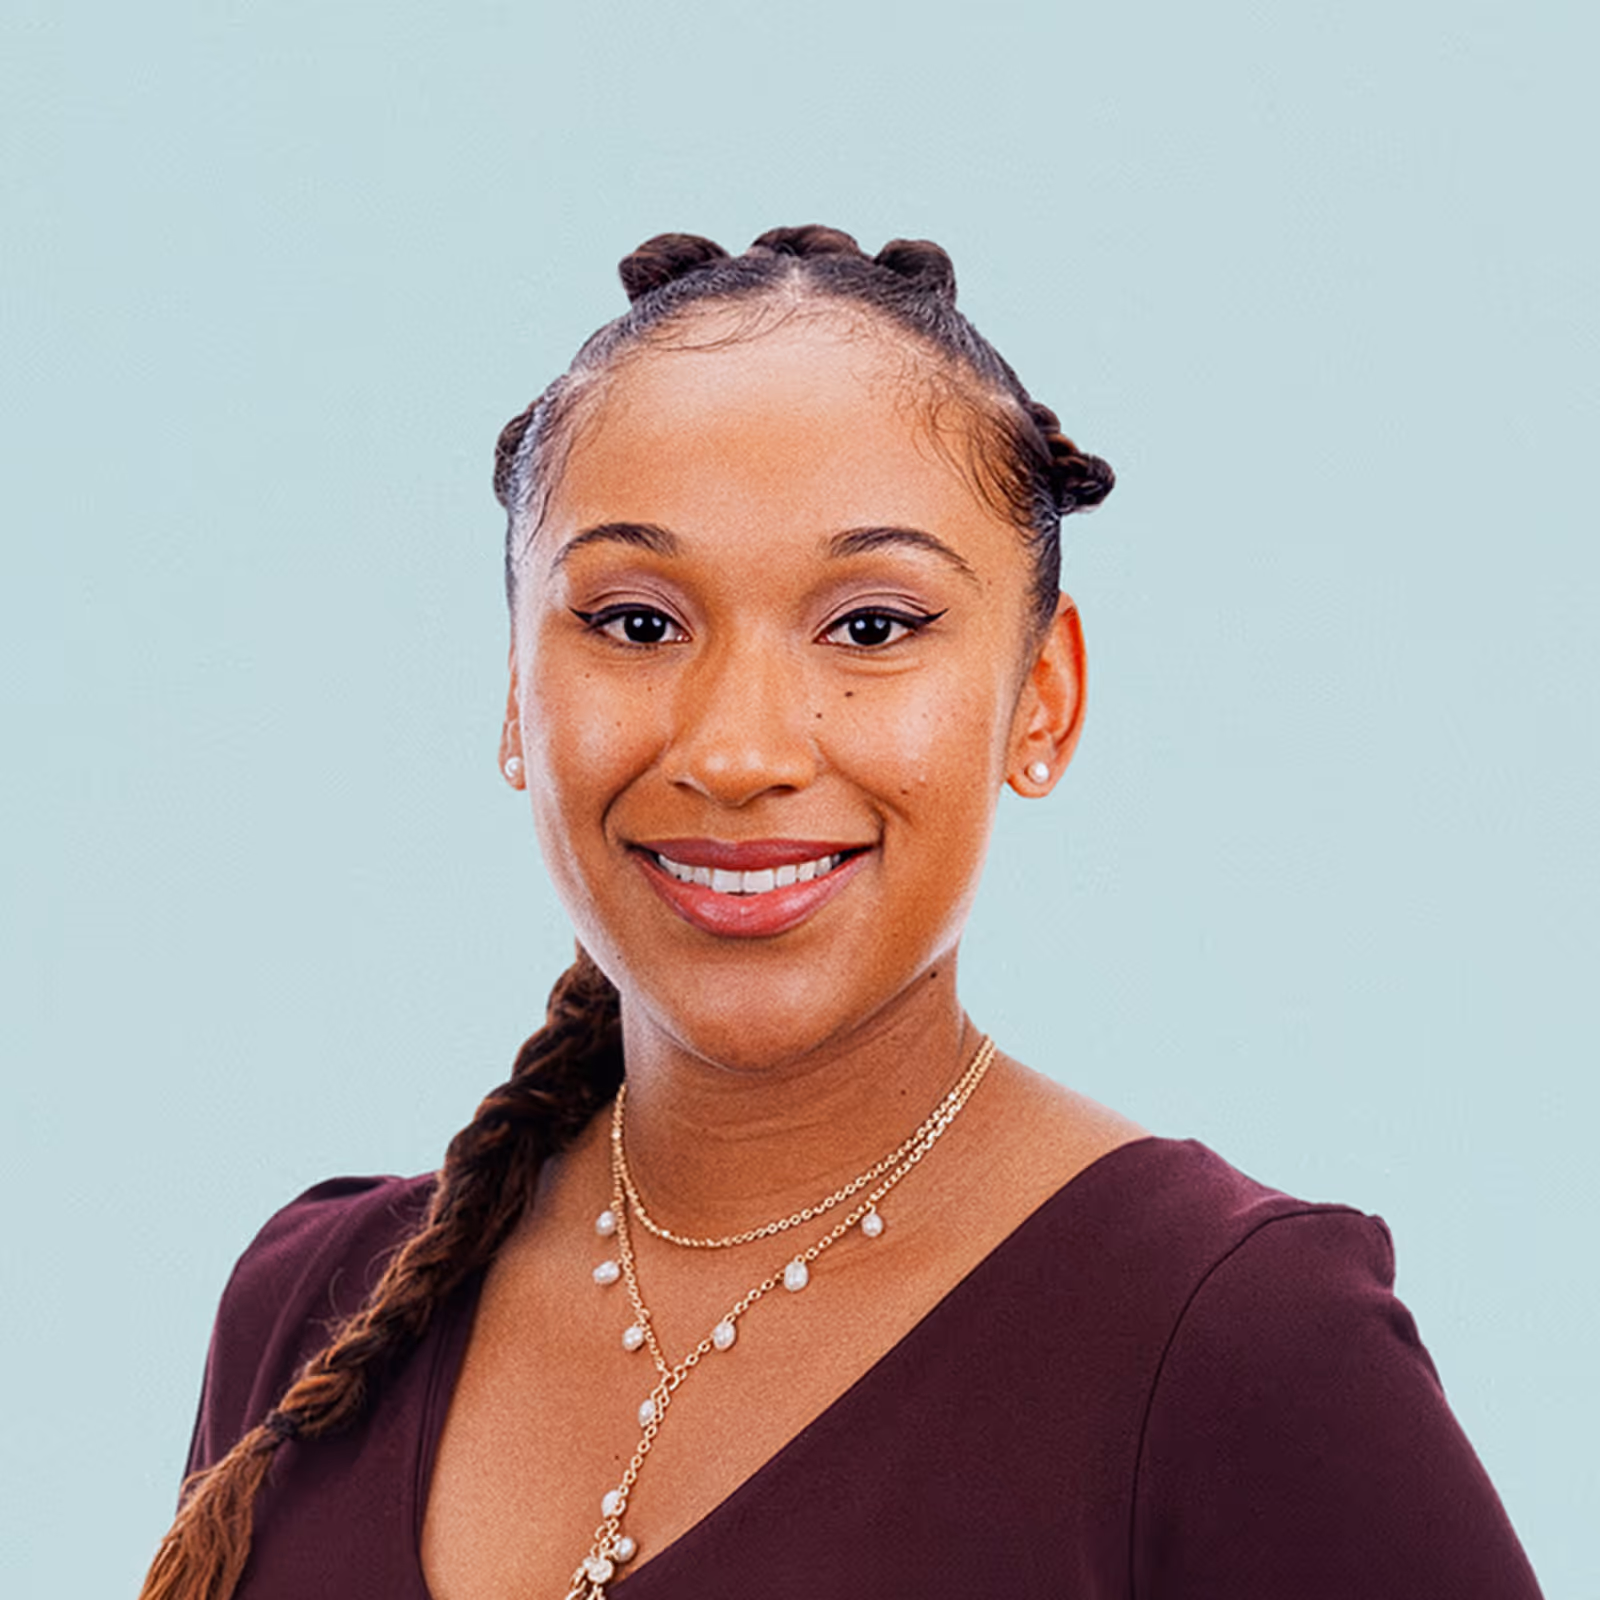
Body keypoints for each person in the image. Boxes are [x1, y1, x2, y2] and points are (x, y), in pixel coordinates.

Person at [141, 226, 1543, 1600]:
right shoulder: (313, 1319)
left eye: (871, 626)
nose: (739, 750)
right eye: (636, 623)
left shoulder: (1232, 1345)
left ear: (1041, 698)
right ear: (515, 692)